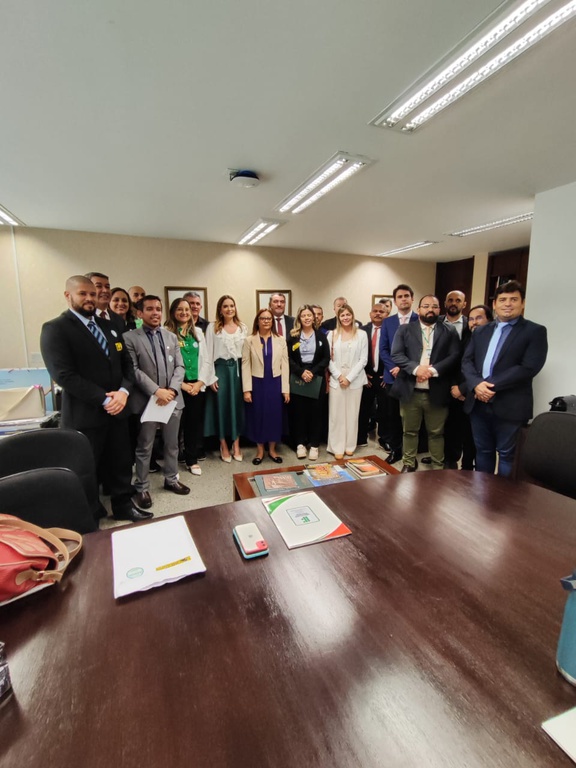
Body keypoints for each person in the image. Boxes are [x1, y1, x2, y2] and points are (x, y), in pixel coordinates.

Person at [40, 275, 151, 523]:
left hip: (118, 410)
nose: (90, 298)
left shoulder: (109, 326)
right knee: (86, 469)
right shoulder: (56, 329)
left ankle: (123, 505)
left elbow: (127, 365)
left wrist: (123, 392)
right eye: (83, 293)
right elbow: (64, 375)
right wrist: (104, 399)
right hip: (85, 415)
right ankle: (90, 514)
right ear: (68, 295)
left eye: (92, 293)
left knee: (121, 462)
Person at [462, 280, 548, 477]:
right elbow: (467, 361)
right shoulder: (481, 331)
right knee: (482, 451)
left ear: (522, 303)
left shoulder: (535, 331)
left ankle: (502, 496)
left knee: (507, 455)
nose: (508, 304)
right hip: (478, 403)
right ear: (494, 304)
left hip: (510, 405)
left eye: (513, 299)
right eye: (502, 300)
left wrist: (488, 386)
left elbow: (529, 367)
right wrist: (476, 384)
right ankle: (483, 492)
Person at [124, 295, 190, 510]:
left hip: (172, 399)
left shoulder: (171, 337)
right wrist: (156, 391)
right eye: (150, 309)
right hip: (148, 400)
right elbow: (133, 370)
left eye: (158, 309)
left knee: (172, 444)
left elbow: (180, 367)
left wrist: (172, 390)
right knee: (145, 446)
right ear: (139, 313)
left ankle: (171, 479)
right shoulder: (130, 338)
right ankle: (142, 487)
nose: (155, 313)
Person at [391, 295, 460, 472]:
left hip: (437, 390)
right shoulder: (405, 329)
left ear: (439, 309)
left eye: (435, 306)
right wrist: (416, 369)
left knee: (436, 433)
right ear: (419, 309)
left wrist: (432, 371)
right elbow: (396, 354)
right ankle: (408, 463)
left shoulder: (449, 330)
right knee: (409, 431)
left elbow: (454, 356)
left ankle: (437, 466)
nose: (430, 309)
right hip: (410, 390)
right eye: (426, 306)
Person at [165, 298, 212, 475]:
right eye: (180, 309)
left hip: (196, 385)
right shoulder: (166, 332)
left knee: (193, 424)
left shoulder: (198, 332)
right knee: (174, 427)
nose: (184, 313)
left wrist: (200, 383)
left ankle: (191, 460)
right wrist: (182, 385)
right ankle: (172, 463)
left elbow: (206, 360)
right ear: (173, 312)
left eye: (187, 309)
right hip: (176, 386)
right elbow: (166, 364)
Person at [242, 308, 290, 465]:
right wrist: (247, 390)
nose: (266, 321)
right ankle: (260, 450)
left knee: (274, 416)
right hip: (257, 384)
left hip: (275, 383)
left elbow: (285, 365)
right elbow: (245, 365)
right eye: (263, 318)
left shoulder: (280, 340)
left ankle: (273, 450)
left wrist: (285, 389)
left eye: (269, 318)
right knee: (258, 416)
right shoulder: (249, 340)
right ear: (257, 321)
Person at [379, 284, 419, 463]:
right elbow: (383, 349)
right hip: (392, 377)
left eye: (406, 296)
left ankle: (411, 453)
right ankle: (396, 450)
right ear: (395, 301)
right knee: (393, 416)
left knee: (412, 418)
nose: (403, 299)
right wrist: (392, 368)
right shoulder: (388, 322)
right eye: (400, 297)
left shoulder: (420, 319)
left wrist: (403, 368)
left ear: (412, 298)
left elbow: (422, 350)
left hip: (413, 375)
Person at [204, 295, 247, 462]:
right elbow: (208, 354)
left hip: (238, 371)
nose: (229, 309)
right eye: (225, 306)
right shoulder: (213, 328)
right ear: (220, 310)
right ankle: (223, 443)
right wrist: (211, 377)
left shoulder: (242, 327)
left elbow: (246, 354)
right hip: (220, 370)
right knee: (221, 407)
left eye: (232, 305)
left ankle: (236, 443)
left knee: (237, 407)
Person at [288, 304, 330, 461]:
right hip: (298, 376)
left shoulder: (321, 336)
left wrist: (312, 372)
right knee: (298, 412)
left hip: (316, 377)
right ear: (299, 318)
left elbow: (326, 358)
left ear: (314, 318)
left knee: (316, 413)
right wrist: (301, 372)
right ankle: (300, 444)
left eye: (309, 315)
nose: (306, 318)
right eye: (303, 315)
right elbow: (288, 358)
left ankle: (314, 445)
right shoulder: (293, 336)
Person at [326, 304, 368, 459]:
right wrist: (339, 376)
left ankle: (350, 445)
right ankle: (337, 446)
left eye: (348, 314)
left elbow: (363, 359)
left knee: (352, 414)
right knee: (336, 415)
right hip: (337, 380)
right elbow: (328, 359)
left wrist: (349, 378)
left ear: (352, 315)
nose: (345, 318)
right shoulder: (332, 334)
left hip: (355, 380)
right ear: (338, 317)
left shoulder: (362, 334)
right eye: (342, 315)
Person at [439, 290, 471, 468]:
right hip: (437, 380)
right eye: (450, 300)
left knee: (455, 423)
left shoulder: (470, 325)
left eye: (458, 300)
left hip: (460, 382)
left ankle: (451, 459)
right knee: (437, 422)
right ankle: (438, 455)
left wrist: (461, 385)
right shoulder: (436, 322)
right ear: (445, 303)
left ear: (464, 304)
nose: (453, 303)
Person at [357, 303, 388, 448]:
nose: (378, 313)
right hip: (366, 376)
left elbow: (395, 354)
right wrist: (363, 374)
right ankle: (360, 438)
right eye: (375, 311)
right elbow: (356, 354)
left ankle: (384, 439)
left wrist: (388, 374)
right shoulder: (361, 331)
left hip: (383, 377)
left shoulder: (391, 330)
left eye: (381, 311)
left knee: (385, 410)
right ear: (370, 314)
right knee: (363, 408)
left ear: (387, 314)